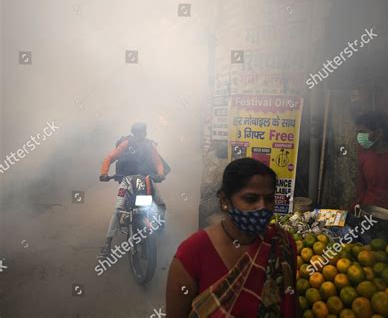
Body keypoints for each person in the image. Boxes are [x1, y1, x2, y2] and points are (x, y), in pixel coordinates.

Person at [166, 158, 298, 317]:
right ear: (224, 201)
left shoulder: (281, 243)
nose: (262, 207)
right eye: (251, 199)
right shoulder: (192, 253)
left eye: (269, 199)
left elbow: (290, 303)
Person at [98, 122, 168, 258]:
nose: (139, 136)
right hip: (127, 180)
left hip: (146, 178)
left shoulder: (149, 145)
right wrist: (104, 173)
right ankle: (107, 243)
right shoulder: (125, 144)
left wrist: (160, 173)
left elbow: (157, 161)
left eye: (142, 133)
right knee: (118, 210)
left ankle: (160, 222)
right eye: (137, 133)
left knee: (160, 203)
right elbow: (110, 157)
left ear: (145, 133)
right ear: (132, 133)